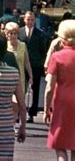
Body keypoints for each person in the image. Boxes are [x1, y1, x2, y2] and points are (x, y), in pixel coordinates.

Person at [43, 19, 75, 161]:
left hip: (62, 103)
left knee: (60, 144)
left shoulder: (57, 57)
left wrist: (46, 110)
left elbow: (49, 87)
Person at [19, 10, 48, 122]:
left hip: (35, 66)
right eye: (28, 19)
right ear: (24, 20)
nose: (30, 22)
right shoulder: (19, 32)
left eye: (32, 20)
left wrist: (40, 63)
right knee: (21, 89)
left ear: (34, 20)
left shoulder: (39, 34)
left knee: (35, 90)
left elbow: (43, 50)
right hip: (22, 65)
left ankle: (32, 113)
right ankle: (19, 111)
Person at [4, 22, 32, 95]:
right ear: (6, 34)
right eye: (10, 33)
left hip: (20, 78)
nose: (13, 36)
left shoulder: (23, 45)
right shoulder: (4, 46)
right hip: (7, 78)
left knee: (20, 100)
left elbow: (27, 62)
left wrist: (30, 76)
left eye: (15, 33)